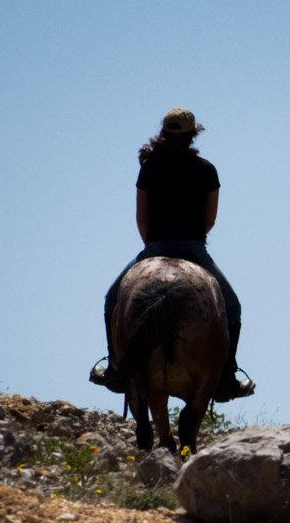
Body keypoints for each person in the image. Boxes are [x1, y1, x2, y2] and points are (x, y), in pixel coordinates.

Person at [90, 108, 255, 402]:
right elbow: (209, 220)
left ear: (164, 133)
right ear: (193, 135)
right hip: (193, 248)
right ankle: (227, 376)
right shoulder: (207, 170)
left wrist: (153, 247)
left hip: (155, 247)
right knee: (233, 308)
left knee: (111, 300)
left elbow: (141, 217)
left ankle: (115, 367)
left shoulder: (149, 167)